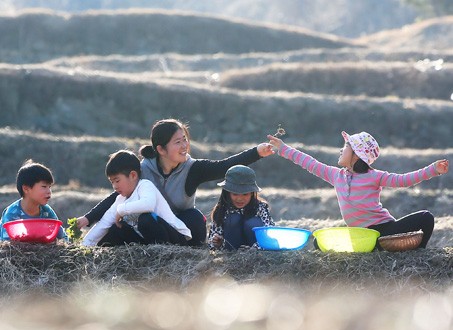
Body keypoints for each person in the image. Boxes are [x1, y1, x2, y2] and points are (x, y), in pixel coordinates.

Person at [77, 118, 274, 246]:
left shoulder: (193, 168)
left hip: (181, 226)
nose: (185, 146)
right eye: (177, 142)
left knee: (196, 218)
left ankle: (169, 248)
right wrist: (88, 218)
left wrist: (257, 152)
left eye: (185, 140)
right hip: (152, 226)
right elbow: (118, 195)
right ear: (161, 149)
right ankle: (161, 249)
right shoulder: (144, 169)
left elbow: (224, 166)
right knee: (137, 222)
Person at [268, 131, 449, 249]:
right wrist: (284, 148)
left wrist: (432, 169)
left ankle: (418, 253)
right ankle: (379, 249)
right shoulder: (336, 175)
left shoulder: (375, 176)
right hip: (360, 237)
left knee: (426, 217)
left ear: (356, 154)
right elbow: (310, 163)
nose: (341, 149)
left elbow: (403, 180)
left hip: (383, 231)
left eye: (346, 146)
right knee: (319, 243)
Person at [82, 150, 191, 246]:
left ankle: (162, 254)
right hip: (148, 240)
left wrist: (121, 210)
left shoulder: (145, 185)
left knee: (146, 219)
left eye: (117, 180)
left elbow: (148, 205)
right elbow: (104, 223)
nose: (115, 186)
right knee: (116, 229)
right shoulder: (120, 200)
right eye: (112, 182)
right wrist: (85, 245)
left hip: (174, 238)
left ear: (133, 175)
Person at [208, 165, 274, 250]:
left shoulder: (260, 207)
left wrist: (255, 248)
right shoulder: (222, 210)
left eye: (245, 194)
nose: (239, 198)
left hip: (256, 248)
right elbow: (212, 242)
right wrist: (218, 243)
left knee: (252, 222)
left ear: (252, 193)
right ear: (227, 193)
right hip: (231, 250)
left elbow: (270, 232)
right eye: (235, 194)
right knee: (233, 218)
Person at [0, 160, 67, 241]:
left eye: (49, 187)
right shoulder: (12, 213)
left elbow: (62, 236)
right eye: (44, 186)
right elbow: (6, 244)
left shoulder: (46, 211)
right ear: (26, 188)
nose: (49, 191)